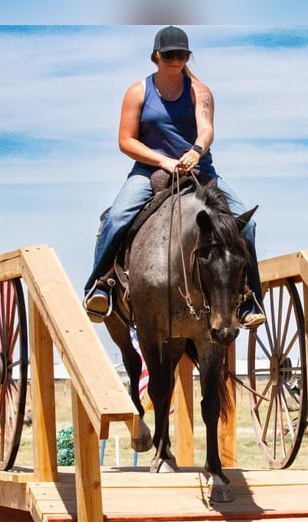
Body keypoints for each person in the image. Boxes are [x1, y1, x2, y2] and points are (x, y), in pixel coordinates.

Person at [83, 26, 265, 329]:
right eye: (169, 55)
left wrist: (195, 151)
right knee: (116, 217)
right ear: (156, 56)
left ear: (187, 56)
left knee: (248, 225)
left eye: (181, 54)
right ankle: (100, 286)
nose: (175, 60)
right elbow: (126, 141)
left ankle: (249, 299)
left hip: (200, 170)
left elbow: (206, 128)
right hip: (149, 170)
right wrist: (163, 161)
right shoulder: (138, 91)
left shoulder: (199, 91)